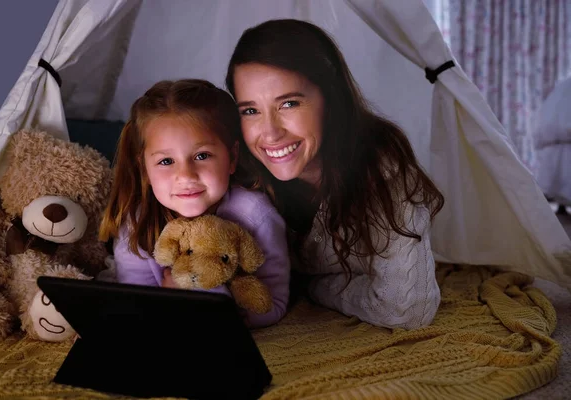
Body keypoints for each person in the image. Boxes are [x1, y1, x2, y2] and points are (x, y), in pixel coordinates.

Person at [224, 19, 445, 330]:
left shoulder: (381, 168)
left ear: (330, 98)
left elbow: (407, 308)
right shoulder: (239, 173)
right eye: (250, 110)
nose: (270, 132)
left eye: (289, 103)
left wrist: (313, 288)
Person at [99, 79, 290, 328]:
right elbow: (138, 301)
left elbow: (273, 303)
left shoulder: (256, 214)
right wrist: (169, 302)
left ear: (231, 158)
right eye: (166, 161)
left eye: (202, 156)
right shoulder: (137, 223)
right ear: (144, 168)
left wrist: (214, 304)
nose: (186, 176)